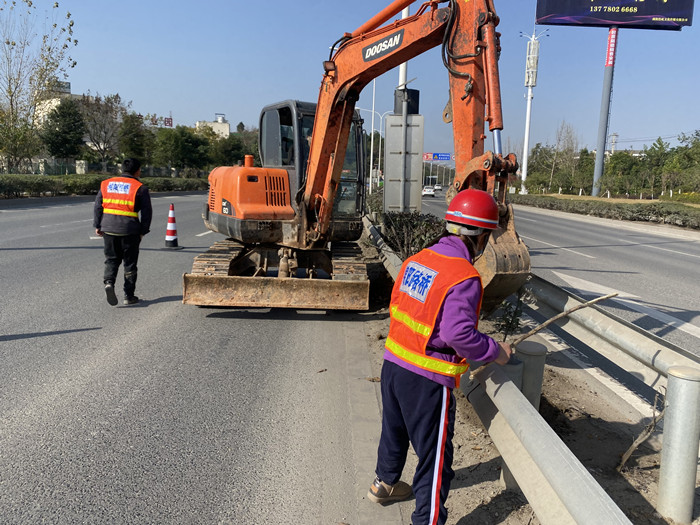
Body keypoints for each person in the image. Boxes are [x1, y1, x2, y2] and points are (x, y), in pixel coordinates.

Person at [367, 188, 512, 525]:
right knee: (434, 460)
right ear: (482, 236)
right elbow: (458, 335)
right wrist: (496, 352)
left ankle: (384, 484)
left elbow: (400, 306)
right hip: (427, 379)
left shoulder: (418, 260)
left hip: (394, 364)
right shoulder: (464, 276)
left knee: (394, 430)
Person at [93, 158, 152, 306]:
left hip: (109, 228)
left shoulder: (106, 184)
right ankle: (128, 296)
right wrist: (143, 231)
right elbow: (147, 213)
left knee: (111, 259)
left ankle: (109, 282)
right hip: (130, 230)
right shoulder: (140, 187)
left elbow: (98, 206)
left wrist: (98, 225)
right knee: (130, 263)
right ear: (137, 171)